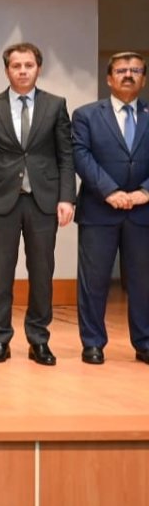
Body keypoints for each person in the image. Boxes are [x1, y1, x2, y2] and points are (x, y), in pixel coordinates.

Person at [0, 43, 74, 366]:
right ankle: (0, 338)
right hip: (2, 201)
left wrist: (67, 197)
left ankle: (38, 339)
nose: (23, 70)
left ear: (38, 68)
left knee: (42, 272)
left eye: (29, 64)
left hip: (43, 201)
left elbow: (65, 155)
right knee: (1, 272)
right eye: (16, 65)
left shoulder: (56, 106)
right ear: (7, 70)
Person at [72, 51, 149, 365]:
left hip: (143, 212)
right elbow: (81, 155)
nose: (128, 75)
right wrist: (110, 191)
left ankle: (144, 342)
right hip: (99, 209)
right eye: (121, 70)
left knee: (143, 281)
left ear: (143, 78)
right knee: (94, 279)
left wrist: (146, 191)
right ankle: (92, 342)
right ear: (108, 78)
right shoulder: (86, 115)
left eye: (135, 70)